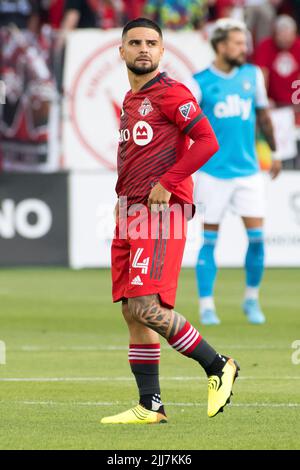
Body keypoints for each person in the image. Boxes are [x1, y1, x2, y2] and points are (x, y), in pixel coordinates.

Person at [101, 17, 239, 425]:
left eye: (151, 43)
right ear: (121, 51)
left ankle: (218, 365)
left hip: (162, 212)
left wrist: (169, 181)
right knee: (131, 309)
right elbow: (135, 155)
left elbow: (208, 140)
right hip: (132, 211)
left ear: (162, 52)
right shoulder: (130, 100)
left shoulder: (171, 93)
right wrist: (121, 199)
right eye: (135, 42)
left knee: (147, 307)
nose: (143, 48)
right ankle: (150, 405)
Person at [192, 18, 281, 326]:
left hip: (247, 172)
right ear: (220, 45)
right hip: (212, 173)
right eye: (239, 43)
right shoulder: (199, 81)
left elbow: (264, 116)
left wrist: (276, 151)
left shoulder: (252, 75)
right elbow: (186, 127)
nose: (245, 48)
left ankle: (251, 300)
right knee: (209, 242)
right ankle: (206, 305)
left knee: (257, 240)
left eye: (245, 43)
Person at [254, 15, 300, 107]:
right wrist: (264, 98)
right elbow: (262, 74)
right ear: (275, 34)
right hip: (273, 102)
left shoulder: (298, 45)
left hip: (295, 102)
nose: (286, 40)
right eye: (282, 36)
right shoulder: (265, 46)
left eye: (289, 36)